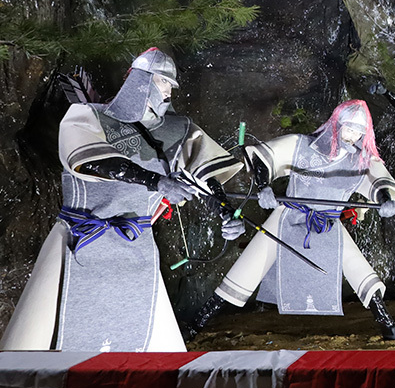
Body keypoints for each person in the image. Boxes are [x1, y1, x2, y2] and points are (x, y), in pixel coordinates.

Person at [1, 48, 242, 352]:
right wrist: (156, 181)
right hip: (80, 240)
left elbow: (205, 173)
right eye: (162, 82)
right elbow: (91, 161)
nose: (168, 92)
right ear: (142, 81)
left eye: (170, 85)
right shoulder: (86, 116)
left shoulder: (178, 130)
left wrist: (224, 210)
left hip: (137, 246)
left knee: (153, 350)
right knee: (35, 346)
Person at [186, 99, 395, 343]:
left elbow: (379, 182)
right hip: (288, 217)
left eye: (359, 132)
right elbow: (265, 158)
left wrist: (385, 200)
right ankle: (197, 323)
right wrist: (265, 187)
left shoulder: (361, 160)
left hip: (328, 223)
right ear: (337, 125)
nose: (353, 136)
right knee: (247, 268)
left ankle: (388, 324)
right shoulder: (302, 145)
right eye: (349, 129)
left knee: (358, 268)